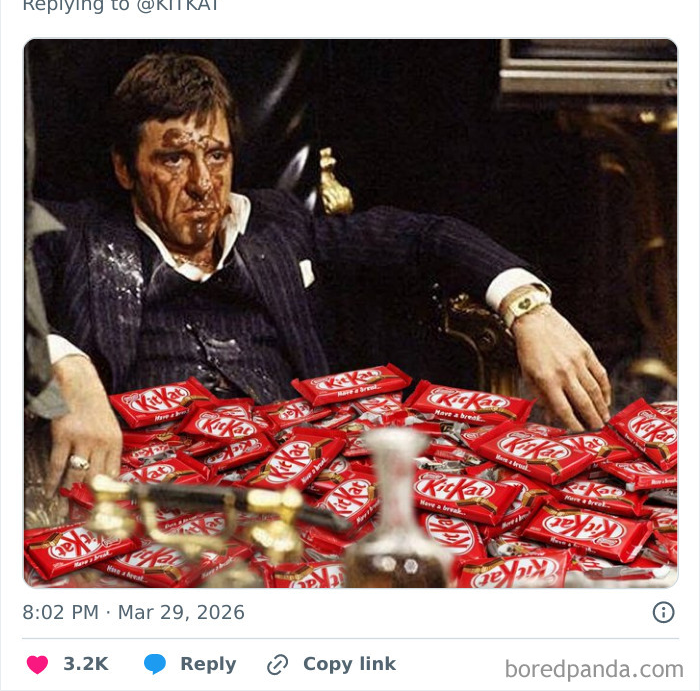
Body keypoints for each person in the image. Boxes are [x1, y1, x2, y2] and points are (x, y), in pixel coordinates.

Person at [33, 53, 611, 497]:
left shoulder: (278, 226)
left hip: (296, 490)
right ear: (124, 168)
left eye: (217, 155)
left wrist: (528, 308)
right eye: (174, 158)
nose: (204, 184)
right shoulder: (74, 235)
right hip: (147, 499)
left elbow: (425, 236)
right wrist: (69, 367)